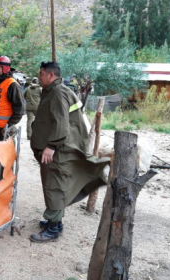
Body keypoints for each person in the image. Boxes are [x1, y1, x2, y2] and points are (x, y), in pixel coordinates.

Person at [30, 62, 110, 243]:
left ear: (51, 75)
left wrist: (51, 146)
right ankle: (55, 222)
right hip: (58, 149)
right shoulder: (56, 91)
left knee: (54, 186)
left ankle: (52, 229)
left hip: (57, 151)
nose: (39, 76)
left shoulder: (58, 93)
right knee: (54, 185)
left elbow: (61, 125)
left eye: (42, 73)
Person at [0, 56, 24, 142]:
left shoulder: (12, 85)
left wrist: (8, 126)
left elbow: (19, 110)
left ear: (5, 68)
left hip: (4, 130)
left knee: (4, 155)